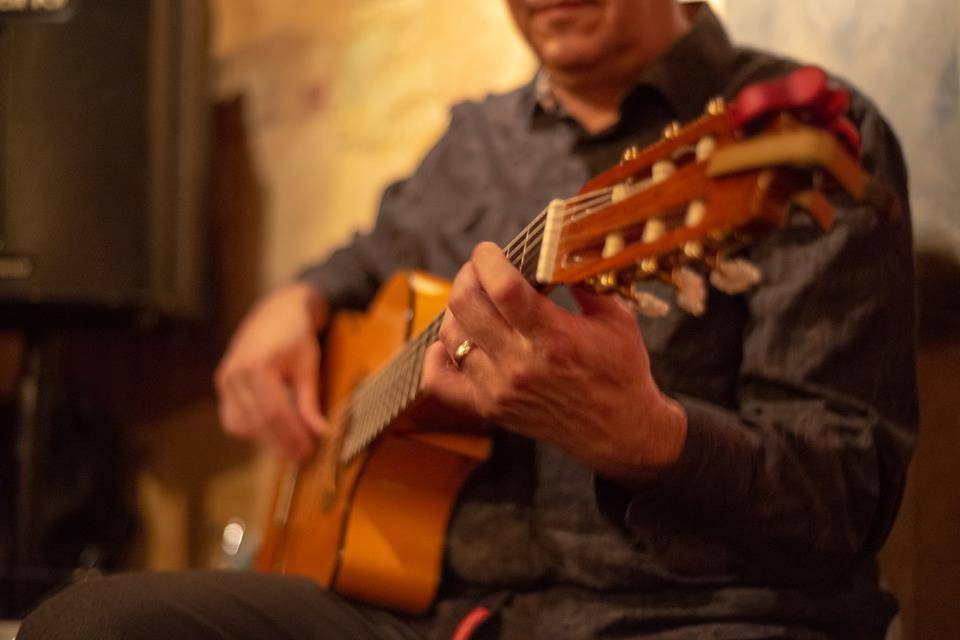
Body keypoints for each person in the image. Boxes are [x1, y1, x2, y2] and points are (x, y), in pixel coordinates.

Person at [18, 1, 916, 638]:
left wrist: (650, 440)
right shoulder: (472, 143)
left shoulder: (793, 142)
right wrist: (291, 302)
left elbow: (845, 498)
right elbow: (370, 252)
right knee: (88, 622)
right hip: (427, 613)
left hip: (688, 615)